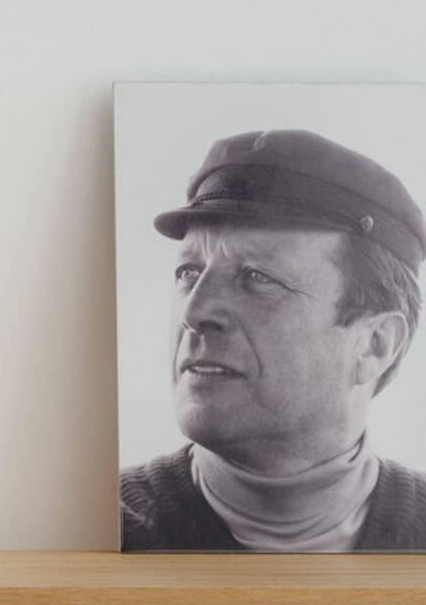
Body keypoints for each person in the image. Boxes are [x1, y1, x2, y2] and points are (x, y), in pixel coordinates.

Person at [120, 128, 426, 551]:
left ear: (375, 344)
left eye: (257, 277)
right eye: (189, 273)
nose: (194, 313)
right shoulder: (103, 529)